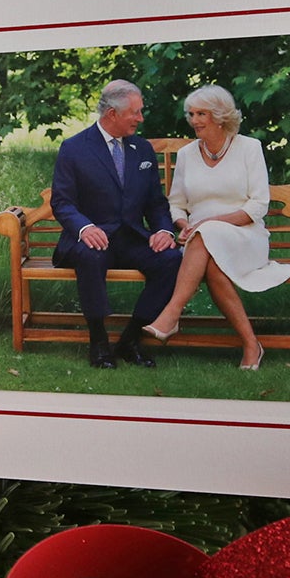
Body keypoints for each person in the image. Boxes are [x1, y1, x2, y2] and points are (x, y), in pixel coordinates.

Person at [143, 83, 290, 370]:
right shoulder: (187, 154)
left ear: (221, 115)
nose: (194, 120)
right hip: (201, 241)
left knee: (206, 232)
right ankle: (251, 344)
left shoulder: (249, 148)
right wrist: (184, 223)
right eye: (191, 113)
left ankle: (172, 312)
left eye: (202, 113)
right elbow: (176, 202)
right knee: (210, 257)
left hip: (246, 237)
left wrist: (208, 222)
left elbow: (258, 205)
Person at [49, 80, 182, 369]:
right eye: (135, 112)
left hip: (131, 238)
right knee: (90, 255)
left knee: (172, 259)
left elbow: (156, 203)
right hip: (90, 238)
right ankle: (98, 342)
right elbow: (62, 202)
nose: (140, 118)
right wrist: (84, 228)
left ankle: (131, 340)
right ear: (112, 114)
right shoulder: (74, 148)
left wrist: (162, 230)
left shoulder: (142, 149)